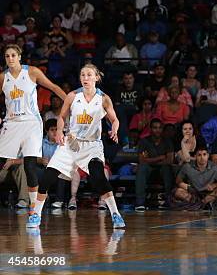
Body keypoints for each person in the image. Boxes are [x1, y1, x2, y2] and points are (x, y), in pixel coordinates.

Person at [27, 64, 125, 229]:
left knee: (98, 177)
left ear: (96, 78)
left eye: (89, 75)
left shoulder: (104, 99)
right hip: (71, 143)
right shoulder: (72, 96)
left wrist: (114, 130)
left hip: (92, 145)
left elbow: (114, 120)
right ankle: (36, 214)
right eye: (82, 75)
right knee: (47, 178)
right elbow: (62, 116)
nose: (85, 78)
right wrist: (59, 131)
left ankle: (115, 214)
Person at [0, 44, 66, 212]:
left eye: (13, 55)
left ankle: (34, 209)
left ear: (20, 57)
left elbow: (53, 87)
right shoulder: (2, 77)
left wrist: (71, 102)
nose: (10, 59)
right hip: (11, 123)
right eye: (7, 56)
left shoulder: (32, 72)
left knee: (29, 165)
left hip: (31, 123)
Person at [172, 146, 217, 211]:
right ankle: (197, 204)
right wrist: (181, 183)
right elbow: (178, 179)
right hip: (193, 193)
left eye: (204, 154)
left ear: (208, 155)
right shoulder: (187, 166)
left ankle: (201, 203)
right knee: (177, 191)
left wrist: (214, 185)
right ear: (195, 156)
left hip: (208, 193)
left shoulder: (215, 167)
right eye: (199, 155)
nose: (202, 157)